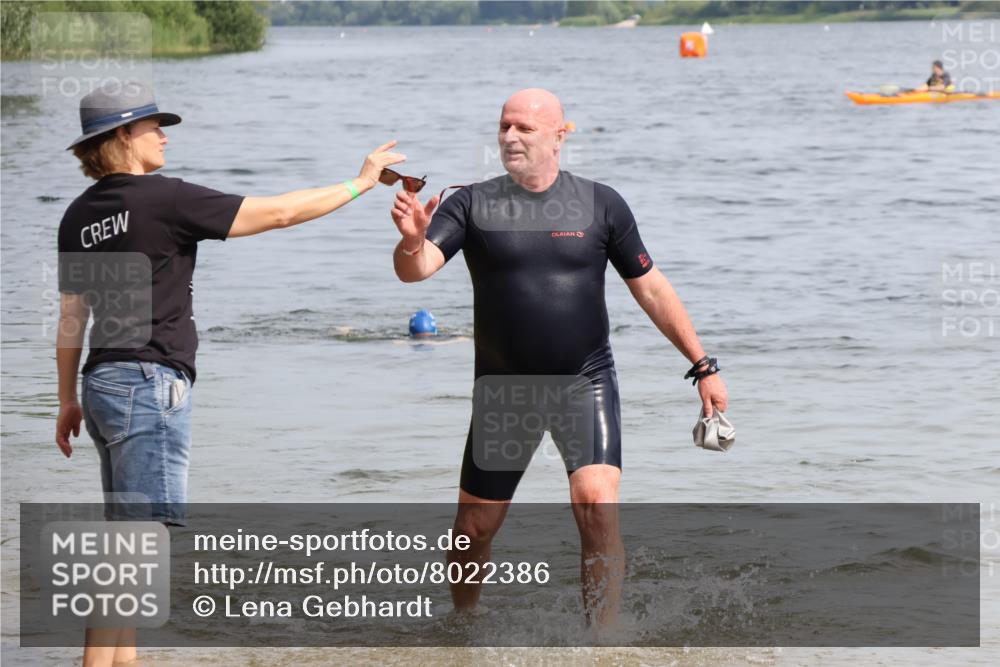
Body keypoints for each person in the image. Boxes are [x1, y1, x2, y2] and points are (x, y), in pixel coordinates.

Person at [54, 81, 404, 667]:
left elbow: (72, 317)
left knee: (128, 537)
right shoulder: (163, 200)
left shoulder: (79, 215)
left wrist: (66, 398)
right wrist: (361, 182)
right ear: (121, 137)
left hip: (102, 383)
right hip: (147, 381)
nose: (164, 136)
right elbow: (281, 212)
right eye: (152, 127)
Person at [389, 88, 728, 628]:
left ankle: (601, 642)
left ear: (559, 135)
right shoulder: (471, 203)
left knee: (596, 505)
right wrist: (410, 240)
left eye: (524, 127)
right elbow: (418, 268)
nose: (510, 137)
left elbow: (652, 288)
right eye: (504, 126)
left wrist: (702, 365)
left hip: (583, 381)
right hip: (505, 389)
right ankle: (461, 629)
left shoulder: (601, 204)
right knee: (473, 530)